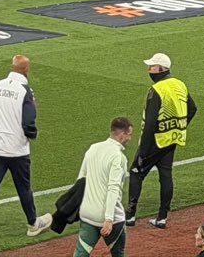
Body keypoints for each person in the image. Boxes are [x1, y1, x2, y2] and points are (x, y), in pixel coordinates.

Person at [0, 53, 54, 247]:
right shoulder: (25, 91)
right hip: (17, 150)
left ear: (12, 67)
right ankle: (33, 224)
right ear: (27, 69)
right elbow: (29, 123)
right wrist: (32, 134)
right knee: (23, 188)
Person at [130, 51, 195, 228]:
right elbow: (192, 108)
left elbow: (151, 122)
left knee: (136, 172)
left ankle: (130, 215)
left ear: (161, 69)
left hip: (155, 141)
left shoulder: (157, 89)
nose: (149, 70)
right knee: (165, 175)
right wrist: (180, 125)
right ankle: (162, 217)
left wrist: (143, 150)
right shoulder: (180, 84)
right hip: (172, 139)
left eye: (152, 67)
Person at [73, 117, 134, 257]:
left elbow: (80, 180)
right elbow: (113, 188)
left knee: (80, 254)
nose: (130, 138)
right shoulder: (118, 157)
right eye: (129, 134)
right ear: (122, 134)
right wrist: (108, 219)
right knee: (118, 254)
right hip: (112, 218)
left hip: (88, 215)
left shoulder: (93, 148)